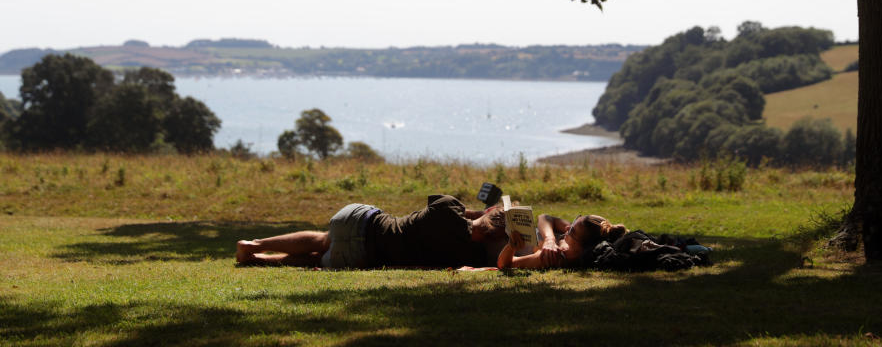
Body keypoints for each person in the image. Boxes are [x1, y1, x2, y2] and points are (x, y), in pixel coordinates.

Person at [236, 194, 506, 268]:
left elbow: (459, 212)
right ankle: (259, 260)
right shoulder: (466, 255)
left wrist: (482, 212)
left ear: (488, 214)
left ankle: (254, 245)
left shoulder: (448, 206)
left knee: (323, 239)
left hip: (360, 220)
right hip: (362, 256)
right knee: (318, 259)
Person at [497, 213, 627, 269]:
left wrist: (511, 246)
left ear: (581, 248)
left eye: (572, 231)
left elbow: (505, 264)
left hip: (495, 244)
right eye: (575, 221)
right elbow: (545, 217)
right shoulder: (574, 236)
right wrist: (549, 238)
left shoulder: (555, 256)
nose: (567, 227)